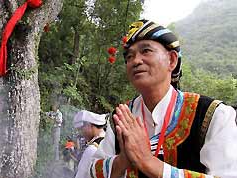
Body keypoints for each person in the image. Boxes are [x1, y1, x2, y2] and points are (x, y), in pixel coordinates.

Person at [89, 19, 237, 178]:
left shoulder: (213, 114)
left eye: (146, 51)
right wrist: (122, 160)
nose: (135, 61)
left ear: (172, 60)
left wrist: (148, 162)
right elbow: (92, 170)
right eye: (129, 56)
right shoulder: (121, 117)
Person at [73, 110, 107, 178]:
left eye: (81, 129)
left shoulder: (92, 149)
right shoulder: (109, 142)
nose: (81, 132)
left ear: (89, 125)